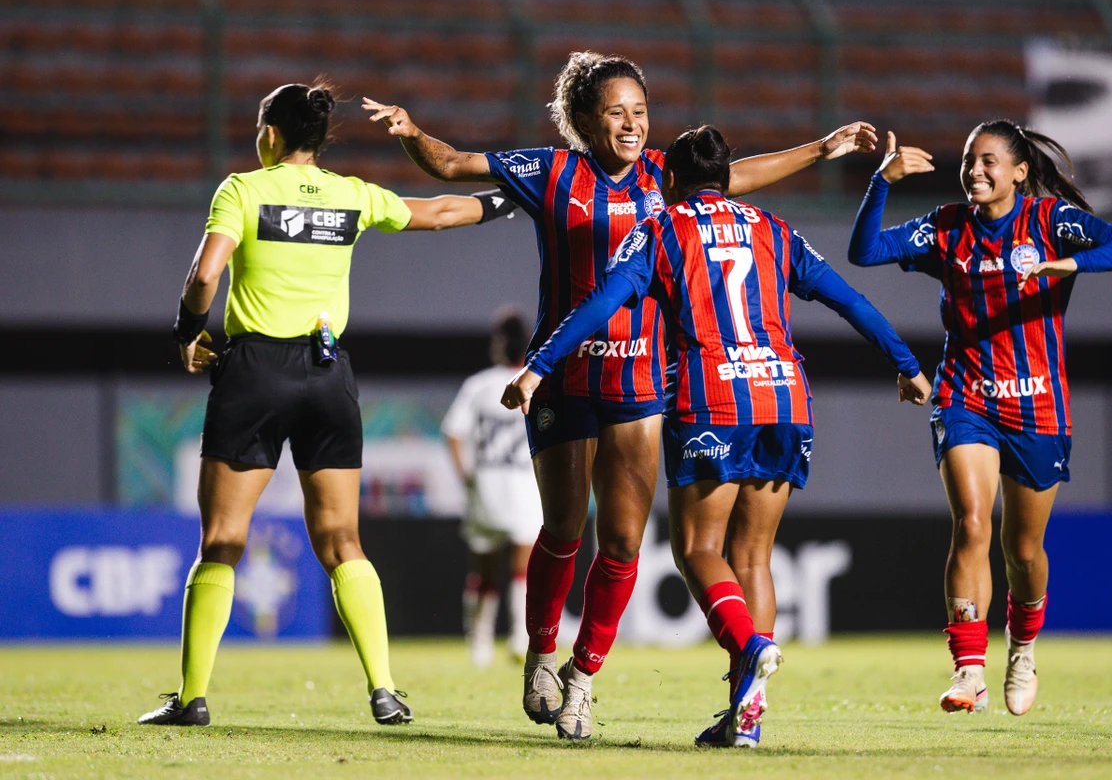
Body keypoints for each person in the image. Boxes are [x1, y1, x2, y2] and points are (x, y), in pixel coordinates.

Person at [363, 51, 879, 739]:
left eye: (640, 110)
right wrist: (410, 134)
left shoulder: (669, 174)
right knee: (564, 528)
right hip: (566, 374)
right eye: (617, 112)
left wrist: (821, 148)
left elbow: (740, 176)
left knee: (625, 542)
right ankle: (542, 653)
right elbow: (454, 166)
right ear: (582, 119)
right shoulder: (553, 172)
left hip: (639, 381)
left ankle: (582, 678)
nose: (633, 124)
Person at [502, 125, 932, 747]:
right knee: (752, 555)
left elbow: (601, 302)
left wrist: (539, 365)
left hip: (713, 396)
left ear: (668, 181)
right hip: (786, 396)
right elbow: (849, 300)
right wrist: (907, 364)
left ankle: (752, 646)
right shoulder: (774, 230)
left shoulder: (660, 229)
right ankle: (744, 716)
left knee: (698, 550)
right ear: (728, 178)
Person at [138, 81, 517, 727]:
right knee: (344, 540)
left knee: (224, 540)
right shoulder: (349, 194)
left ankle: (193, 697)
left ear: (274, 134)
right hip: (327, 374)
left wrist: (186, 333)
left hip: (254, 371)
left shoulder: (243, 190)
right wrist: (514, 198)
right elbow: (441, 213)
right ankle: (385, 689)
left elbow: (205, 274)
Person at [847, 121, 1112, 715]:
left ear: (1018, 172)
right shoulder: (946, 228)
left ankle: (1024, 649)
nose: (976, 171)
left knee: (1023, 550)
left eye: (989, 162)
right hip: (967, 398)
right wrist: (882, 182)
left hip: (1037, 405)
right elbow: (865, 251)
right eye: (968, 160)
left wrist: (1067, 266)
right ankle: (968, 671)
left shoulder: (1048, 222)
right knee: (972, 523)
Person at [442, 307, 542, 667]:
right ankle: (520, 636)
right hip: (525, 486)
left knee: (483, 571)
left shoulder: (479, 385)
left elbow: (452, 431)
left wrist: (465, 473)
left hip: (485, 485)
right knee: (523, 568)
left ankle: (479, 643)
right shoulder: (536, 382)